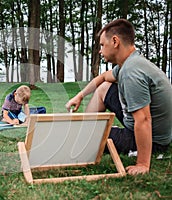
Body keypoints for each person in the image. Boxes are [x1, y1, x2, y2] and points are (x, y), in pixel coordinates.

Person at [65, 19, 172, 176]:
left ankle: (86, 134)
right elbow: (102, 78)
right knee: (104, 87)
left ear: (115, 41)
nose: (100, 51)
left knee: (89, 136)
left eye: (102, 45)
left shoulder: (132, 72)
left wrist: (142, 164)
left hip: (153, 141)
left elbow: (144, 120)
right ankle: (86, 127)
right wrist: (80, 96)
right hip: (147, 129)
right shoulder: (130, 63)